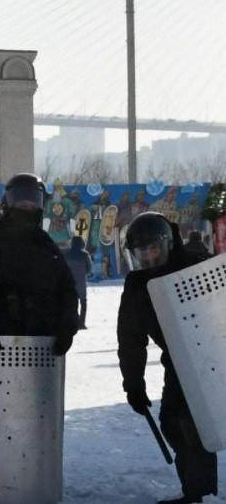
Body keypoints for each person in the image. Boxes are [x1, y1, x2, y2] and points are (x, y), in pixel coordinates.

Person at [118, 212, 219, 504]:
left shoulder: (195, 267)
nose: (147, 257)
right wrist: (133, 383)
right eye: (141, 252)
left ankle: (199, 493)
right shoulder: (138, 285)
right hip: (178, 362)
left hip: (211, 353)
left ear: (167, 244)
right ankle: (198, 491)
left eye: (152, 249)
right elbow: (131, 338)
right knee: (175, 423)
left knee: (192, 424)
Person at [0, 173, 79, 356]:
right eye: (20, 200)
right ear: (7, 203)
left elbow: (67, 290)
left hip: (43, 348)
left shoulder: (47, 249)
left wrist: (67, 327)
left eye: (33, 201)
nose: (27, 206)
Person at [65, 235, 92, 329]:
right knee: (83, 303)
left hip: (69, 283)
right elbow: (89, 269)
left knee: (72, 303)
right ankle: (82, 323)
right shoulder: (85, 255)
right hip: (81, 283)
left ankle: (73, 321)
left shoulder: (66, 254)